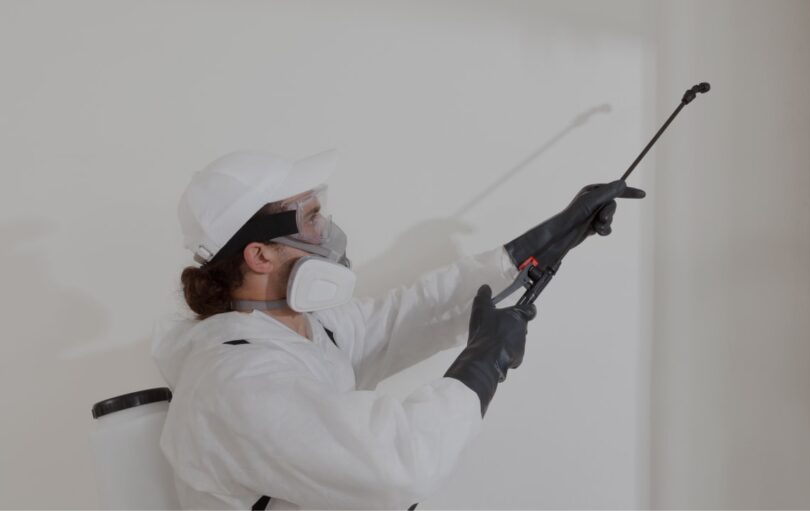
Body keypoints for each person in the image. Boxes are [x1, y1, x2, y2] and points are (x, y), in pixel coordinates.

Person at [152, 148, 644, 509]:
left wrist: (541, 244)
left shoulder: (303, 331)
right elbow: (397, 467)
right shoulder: (236, 381)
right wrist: (482, 363)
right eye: (310, 217)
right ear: (259, 255)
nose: (328, 231)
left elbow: (405, 315)